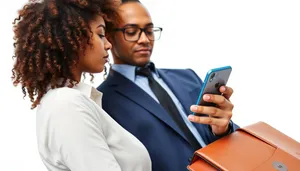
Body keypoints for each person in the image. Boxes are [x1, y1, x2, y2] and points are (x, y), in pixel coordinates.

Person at [97, 0, 240, 170]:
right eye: (131, 31)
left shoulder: (187, 76)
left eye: (149, 30)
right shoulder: (102, 100)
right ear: (109, 36)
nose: (144, 39)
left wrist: (223, 128)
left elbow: (225, 136)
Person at [11, 0, 151, 170]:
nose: (108, 45)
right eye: (100, 35)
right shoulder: (66, 105)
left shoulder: (71, 101)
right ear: (72, 38)